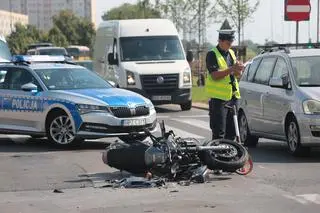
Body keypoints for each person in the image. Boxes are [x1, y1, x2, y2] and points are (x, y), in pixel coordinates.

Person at [205, 19, 244, 141]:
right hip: (219, 100)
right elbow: (215, 75)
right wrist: (232, 68)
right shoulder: (212, 54)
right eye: (228, 42)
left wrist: (239, 69)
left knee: (232, 133)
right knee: (219, 133)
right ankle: (218, 158)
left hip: (233, 97)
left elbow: (236, 75)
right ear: (220, 41)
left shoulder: (231, 53)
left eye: (231, 42)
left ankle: (231, 157)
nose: (230, 45)